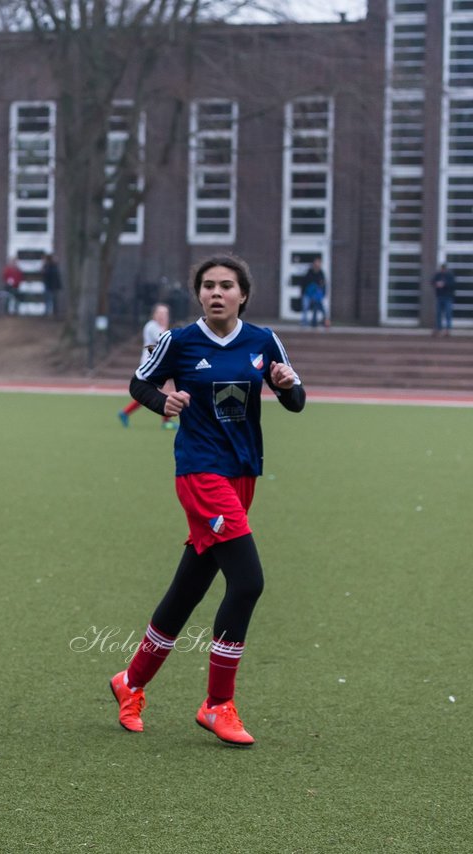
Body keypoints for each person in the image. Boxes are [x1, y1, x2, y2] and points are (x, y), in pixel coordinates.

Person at [108, 254, 306, 748]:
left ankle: (130, 682)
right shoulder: (179, 340)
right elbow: (139, 383)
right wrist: (163, 402)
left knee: (189, 588)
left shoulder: (263, 341)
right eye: (208, 286)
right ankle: (217, 704)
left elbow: (296, 398)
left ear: (243, 295)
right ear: (199, 295)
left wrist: (286, 386)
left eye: (227, 286)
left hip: (242, 476)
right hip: (200, 474)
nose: (217, 292)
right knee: (248, 582)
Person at [118, 303, 176, 430]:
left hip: (159, 364)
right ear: (154, 314)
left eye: (165, 313)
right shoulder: (152, 326)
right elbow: (163, 340)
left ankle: (126, 412)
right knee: (156, 392)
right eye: (160, 313)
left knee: (155, 392)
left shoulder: (160, 327)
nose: (163, 316)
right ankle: (165, 421)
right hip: (151, 364)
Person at [301, 257, 327, 328]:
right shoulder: (309, 272)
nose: (317, 264)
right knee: (305, 307)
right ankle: (304, 323)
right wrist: (303, 293)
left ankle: (315, 322)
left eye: (319, 263)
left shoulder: (321, 273)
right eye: (316, 262)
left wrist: (323, 293)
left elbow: (323, 284)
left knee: (318, 307)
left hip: (316, 295)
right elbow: (304, 283)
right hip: (307, 293)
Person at [432, 262, 456, 337]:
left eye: (444, 268)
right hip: (439, 297)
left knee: (448, 314)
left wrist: (444, 284)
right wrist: (436, 283)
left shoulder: (450, 276)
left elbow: (453, 284)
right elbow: (432, 281)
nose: (443, 270)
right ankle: (439, 329)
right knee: (438, 314)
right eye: (442, 268)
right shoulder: (438, 275)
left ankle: (448, 330)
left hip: (448, 297)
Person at [41, 253, 62, 318]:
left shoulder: (51, 266)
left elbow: (49, 275)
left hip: (52, 286)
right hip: (50, 286)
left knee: (51, 300)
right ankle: (50, 313)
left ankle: (52, 313)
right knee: (49, 300)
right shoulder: (50, 266)